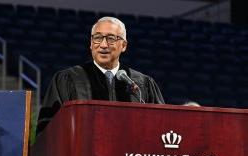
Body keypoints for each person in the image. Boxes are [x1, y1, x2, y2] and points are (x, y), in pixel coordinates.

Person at [37, 16, 165, 134]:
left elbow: (163, 126)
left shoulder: (142, 83)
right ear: (91, 44)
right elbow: (48, 129)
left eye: (111, 38)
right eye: (97, 38)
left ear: (124, 45)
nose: (103, 45)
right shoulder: (68, 79)